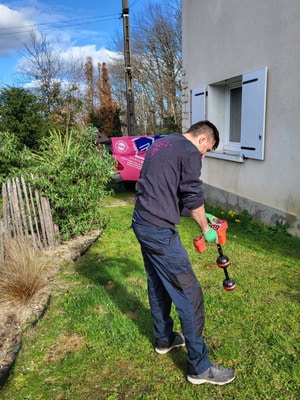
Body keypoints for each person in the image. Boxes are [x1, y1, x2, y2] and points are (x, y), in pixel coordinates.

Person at [132, 120, 235, 385]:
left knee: (158, 283)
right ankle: (199, 368)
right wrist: (205, 226)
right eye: (207, 149)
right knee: (190, 295)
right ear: (203, 140)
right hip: (158, 231)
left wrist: (202, 214)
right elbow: (191, 192)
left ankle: (165, 339)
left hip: (142, 221)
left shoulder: (161, 143)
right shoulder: (190, 151)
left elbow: (162, 190)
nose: (203, 154)